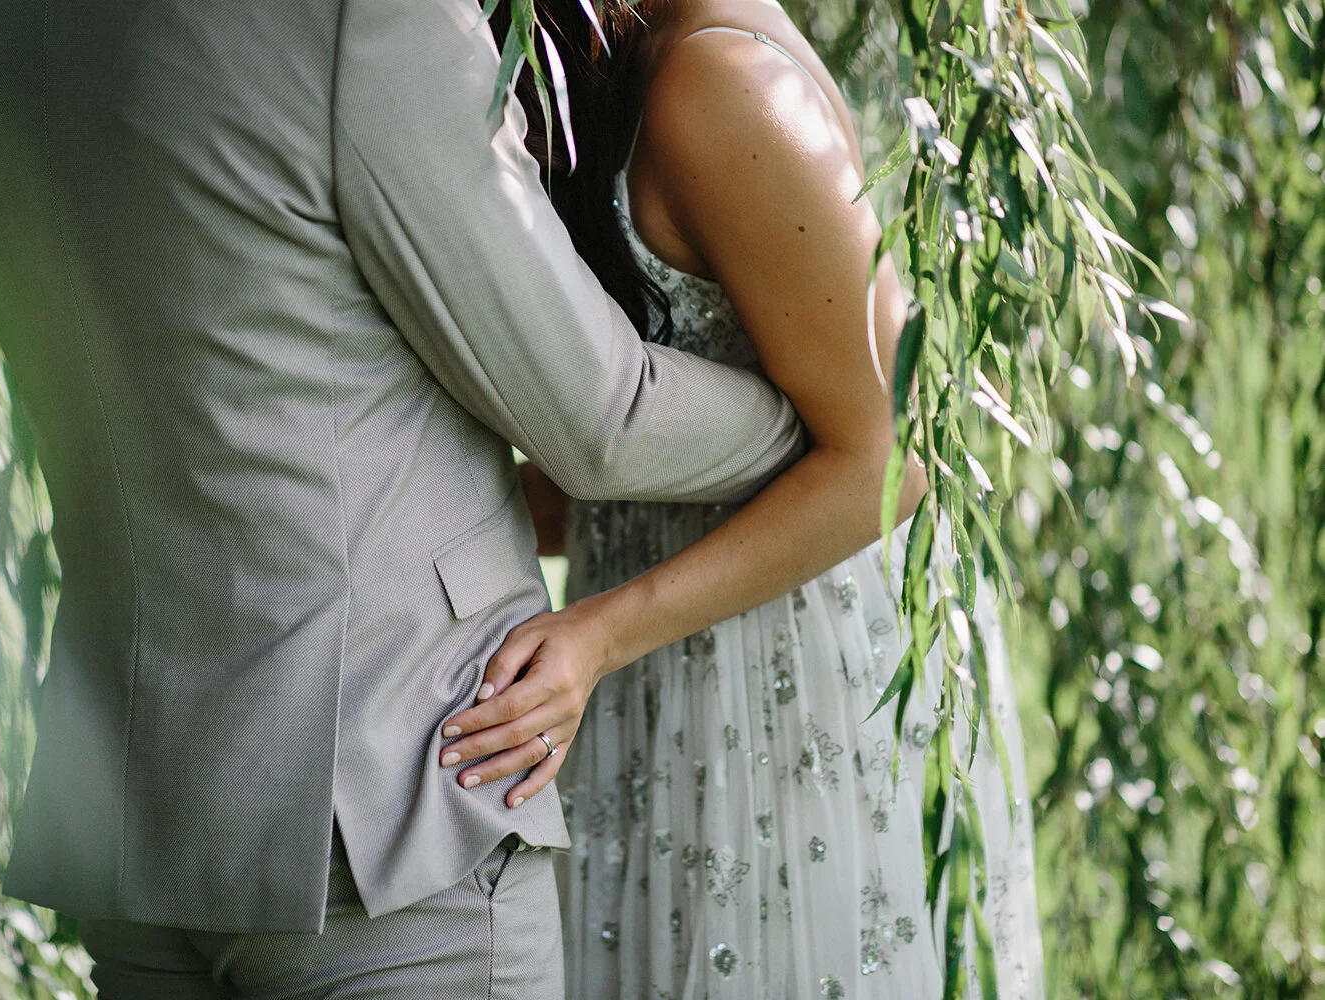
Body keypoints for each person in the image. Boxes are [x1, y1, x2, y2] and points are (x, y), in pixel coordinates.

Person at [0, 0, 809, 996]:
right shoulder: (362, 17)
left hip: (140, 814)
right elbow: (603, 420)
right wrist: (831, 423)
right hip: (389, 808)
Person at [444, 0, 1045, 995]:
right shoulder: (608, 65)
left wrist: (596, 636)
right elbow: (642, 445)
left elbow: (892, 457)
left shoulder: (720, 89)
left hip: (782, 672)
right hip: (650, 652)